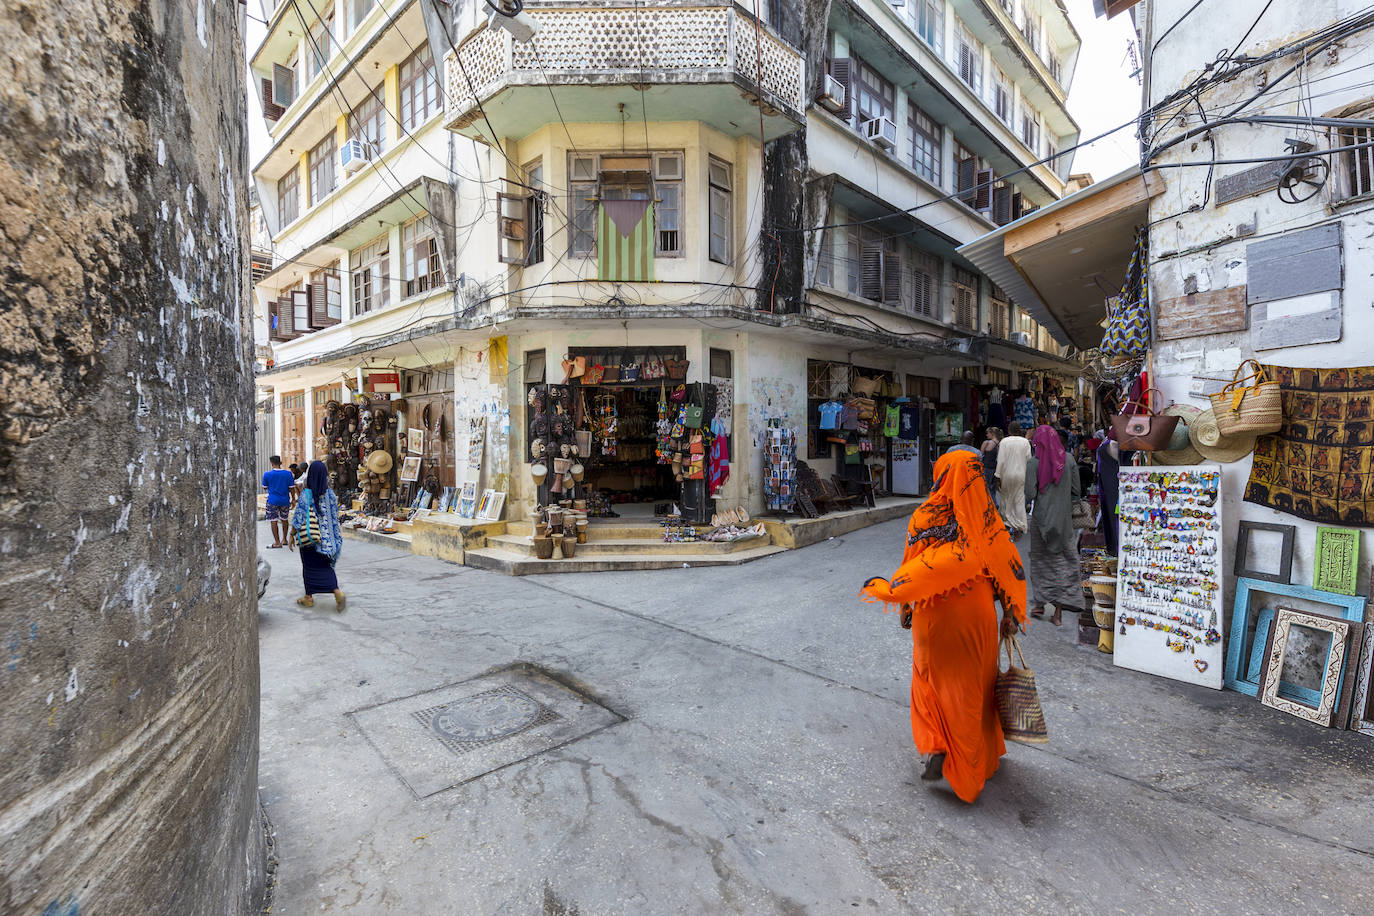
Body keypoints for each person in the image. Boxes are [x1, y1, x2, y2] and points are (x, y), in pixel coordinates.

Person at [860, 450, 1027, 804]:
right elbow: (1005, 566)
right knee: (975, 689)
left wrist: (906, 609)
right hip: (977, 615)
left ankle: (936, 744)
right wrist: (1010, 614)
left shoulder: (924, 516)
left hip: (932, 614)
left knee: (927, 679)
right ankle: (973, 765)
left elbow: (910, 565)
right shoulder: (986, 517)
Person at [1025, 424, 1082, 627]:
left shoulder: (1034, 463)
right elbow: (1076, 489)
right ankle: (1057, 613)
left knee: (1041, 562)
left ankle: (1039, 603)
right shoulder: (1068, 459)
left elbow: (1030, 494)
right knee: (1062, 564)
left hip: (1041, 521)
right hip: (1065, 520)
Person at [287, 460, 346, 611]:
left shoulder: (307, 495)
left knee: (309, 567)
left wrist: (292, 534)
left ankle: (309, 598)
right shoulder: (331, 495)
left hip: (311, 539)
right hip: (329, 541)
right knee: (326, 567)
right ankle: (336, 593)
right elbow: (334, 517)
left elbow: (299, 517)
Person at [995, 423, 1031, 536]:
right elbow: (1028, 459)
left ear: (1009, 430)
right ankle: (1020, 524)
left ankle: (1008, 522)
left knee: (1006, 499)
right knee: (1019, 500)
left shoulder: (1004, 442)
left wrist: (997, 476)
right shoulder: (1025, 442)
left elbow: (1000, 460)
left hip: (1006, 474)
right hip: (1021, 474)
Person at [261, 455, 296, 549]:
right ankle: (284, 539)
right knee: (284, 519)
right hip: (285, 500)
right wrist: (293, 499)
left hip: (272, 500)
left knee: (273, 521)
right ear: (280, 463)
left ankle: (277, 542)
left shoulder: (267, 474)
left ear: (271, 463)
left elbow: (264, 487)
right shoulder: (288, 474)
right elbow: (292, 489)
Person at [981, 427, 1003, 503]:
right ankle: (994, 503)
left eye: (988, 433)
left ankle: (988, 505)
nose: (987, 435)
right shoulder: (1000, 444)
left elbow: (980, 455)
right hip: (995, 469)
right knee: (993, 488)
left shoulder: (986, 443)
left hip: (986, 467)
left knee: (985, 488)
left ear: (992, 434)